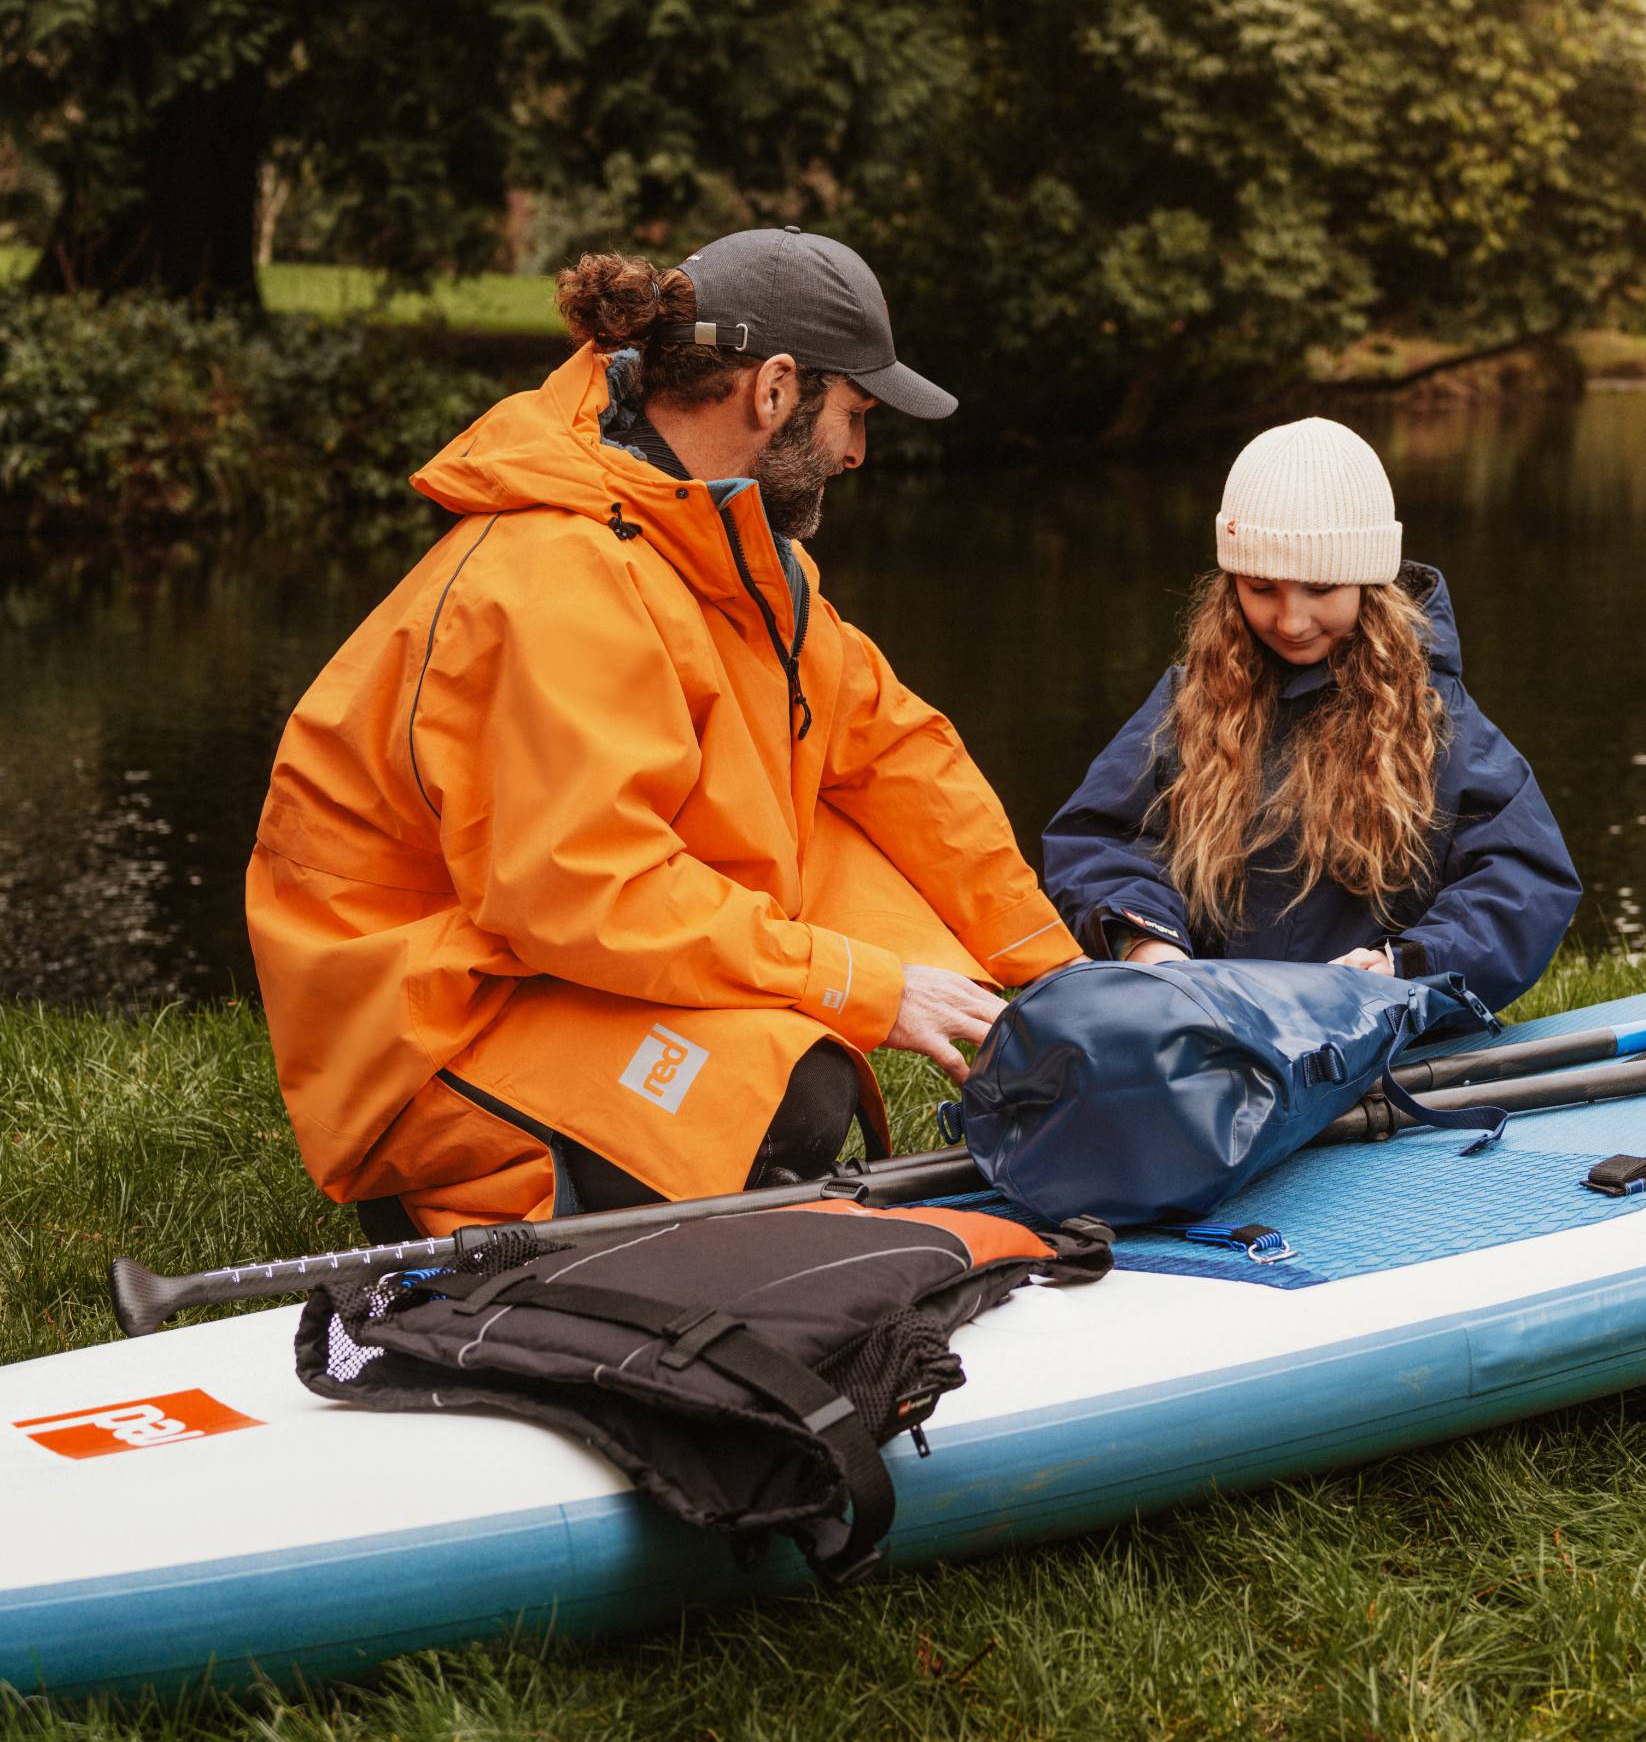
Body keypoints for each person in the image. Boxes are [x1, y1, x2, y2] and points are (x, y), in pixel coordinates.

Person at [247, 228, 1079, 1240]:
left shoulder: (737, 553)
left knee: (867, 873)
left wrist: (1055, 972)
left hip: (543, 954)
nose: (858, 452)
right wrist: (860, 983)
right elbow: (589, 884)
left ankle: (692, 1181)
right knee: (793, 1089)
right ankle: (464, 1207)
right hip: (436, 1016)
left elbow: (898, 752)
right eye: (854, 415)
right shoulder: (560, 575)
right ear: (774, 389)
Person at [1043, 416, 1579, 1013]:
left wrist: (1405, 963)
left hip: (1372, 1037)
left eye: (1321, 589)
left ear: (1369, 583)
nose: (1291, 621)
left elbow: (1524, 882)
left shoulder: (1435, 718)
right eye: (1260, 588)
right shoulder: (1188, 701)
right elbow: (1097, 842)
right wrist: (1149, 948)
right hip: (1207, 1031)